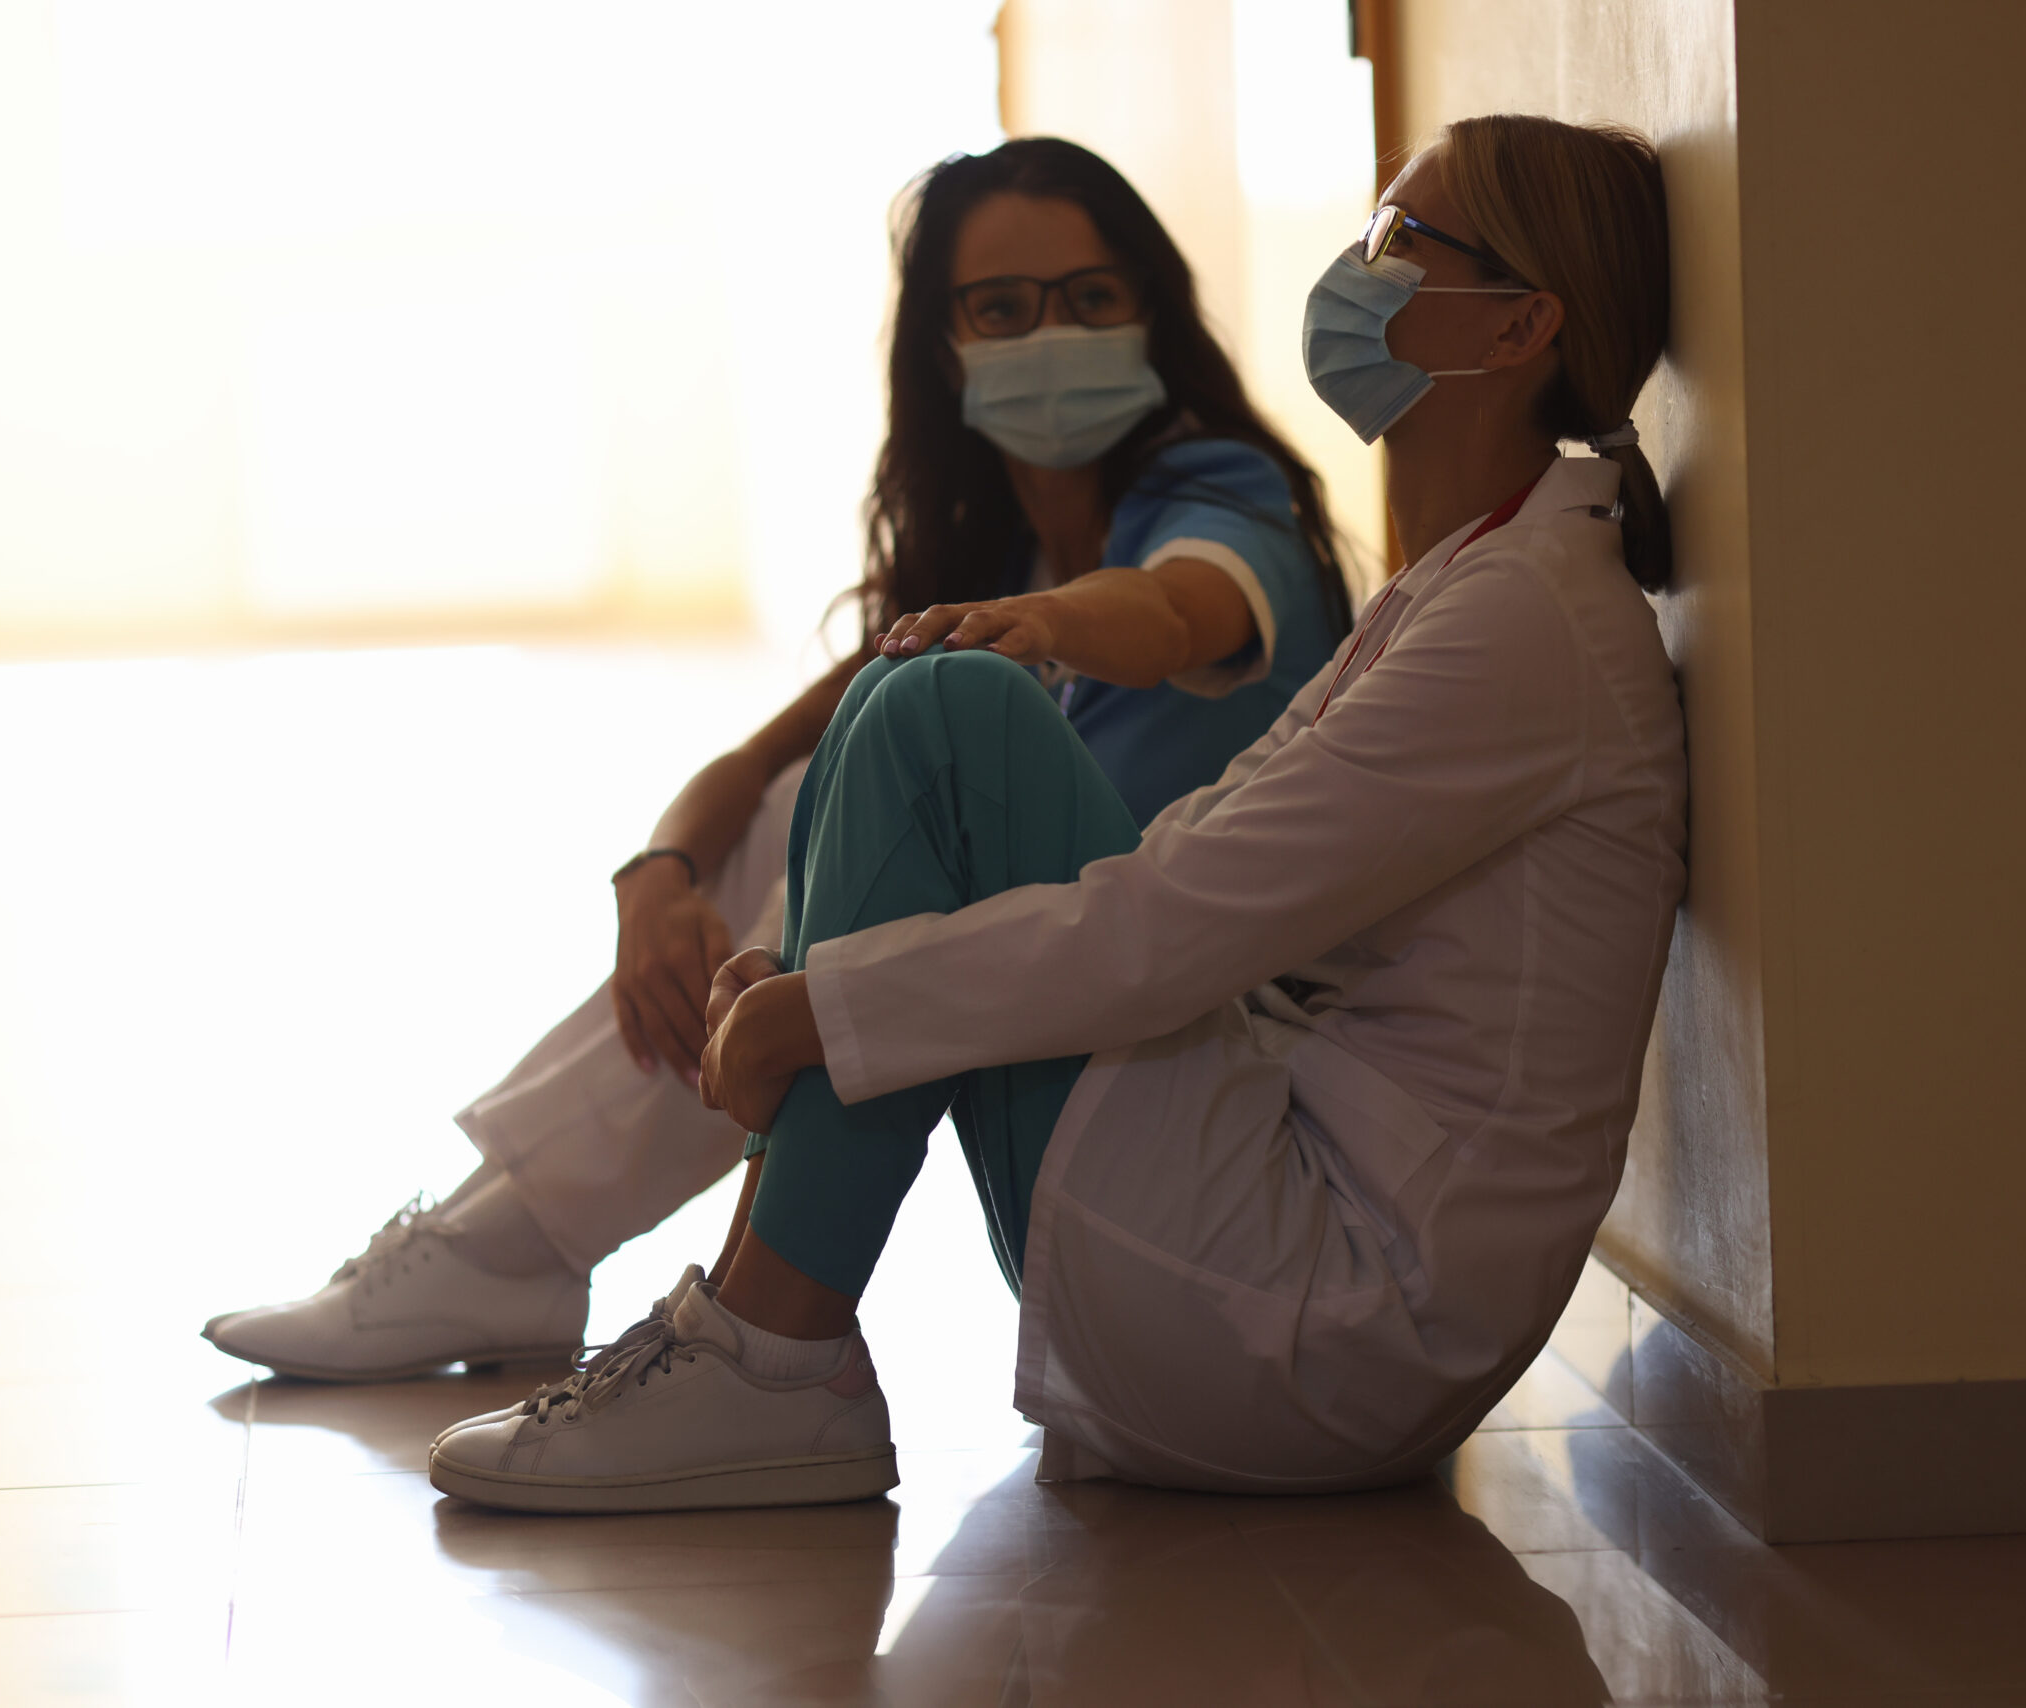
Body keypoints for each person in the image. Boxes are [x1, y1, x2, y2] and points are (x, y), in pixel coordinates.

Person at [423, 113, 1688, 1513]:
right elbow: (1188, 862)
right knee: (910, 708)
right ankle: (751, 1335)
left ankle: (763, 1347)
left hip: (1338, 1319)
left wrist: (823, 1006)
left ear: (1516, 329)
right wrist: (803, 977)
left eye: (1398, 241)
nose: (1357, 270)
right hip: (1283, 1234)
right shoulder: (1476, 579)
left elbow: (1173, 910)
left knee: (943, 711)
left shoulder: (1518, 620)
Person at [202, 138, 1351, 1381]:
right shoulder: (998, 556)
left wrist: (1054, 624)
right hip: (1060, 1010)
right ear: (943, 342)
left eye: (1089, 297)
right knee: (808, 795)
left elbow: (1185, 611)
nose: (1049, 334)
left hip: (1209, 1053)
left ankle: (546, 1259)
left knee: (863, 819)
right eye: (1001, 308)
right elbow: (753, 764)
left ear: (1151, 312)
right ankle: (512, 1242)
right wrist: (657, 876)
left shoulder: (1220, 499)